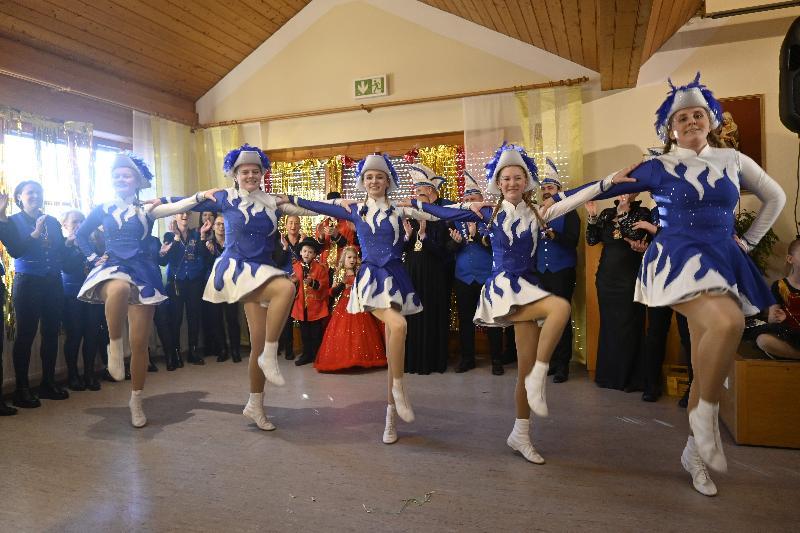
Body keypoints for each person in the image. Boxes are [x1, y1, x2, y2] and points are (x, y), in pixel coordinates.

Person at [553, 73, 786, 496]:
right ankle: (705, 421)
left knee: (706, 357)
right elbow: (587, 191)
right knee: (728, 324)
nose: (691, 121)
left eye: (698, 114)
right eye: (682, 117)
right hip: (677, 260)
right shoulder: (658, 165)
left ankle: (694, 452)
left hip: (723, 257)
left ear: (711, 119)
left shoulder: (734, 161)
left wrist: (748, 242)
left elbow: (777, 197)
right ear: (669, 127)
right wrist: (584, 193)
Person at [409, 143, 633, 464]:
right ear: (498, 183)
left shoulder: (540, 214)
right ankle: (542, 375)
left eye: (518, 178)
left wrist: (609, 180)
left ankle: (520, 433)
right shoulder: (486, 212)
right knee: (560, 309)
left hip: (528, 288)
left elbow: (578, 196)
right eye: (506, 178)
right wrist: (410, 203)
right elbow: (439, 211)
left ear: (527, 182)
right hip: (502, 289)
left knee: (524, 370)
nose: (512, 183)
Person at [280, 153, 439, 445]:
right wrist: (286, 198)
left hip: (395, 279)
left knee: (394, 347)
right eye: (369, 177)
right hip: (368, 281)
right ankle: (401, 390)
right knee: (400, 327)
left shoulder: (400, 209)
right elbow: (316, 207)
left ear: (388, 181)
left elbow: (443, 213)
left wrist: (475, 208)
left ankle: (390, 417)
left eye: (380, 176)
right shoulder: (354, 209)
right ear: (363, 182)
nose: (375, 181)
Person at [160, 144, 317, 432]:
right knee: (285, 289)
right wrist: (157, 201)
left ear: (263, 173)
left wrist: (342, 206)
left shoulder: (272, 201)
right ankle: (271, 354)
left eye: (256, 171)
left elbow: (309, 207)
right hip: (235, 269)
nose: (250, 175)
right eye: (245, 171)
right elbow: (185, 203)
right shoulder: (226, 197)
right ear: (235, 174)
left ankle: (255, 404)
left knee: (257, 343)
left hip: (261, 271)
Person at [75, 151, 216, 427]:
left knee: (140, 345)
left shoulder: (147, 209)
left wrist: (200, 196)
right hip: (113, 267)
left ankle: (136, 400)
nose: (120, 179)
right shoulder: (102, 208)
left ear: (137, 181)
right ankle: (115, 346)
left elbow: (181, 206)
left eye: (126, 175)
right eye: (116, 175)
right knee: (117, 290)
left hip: (143, 272)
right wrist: (93, 257)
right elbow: (81, 234)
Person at [0, 181, 69, 408]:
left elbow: (60, 250)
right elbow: (16, 250)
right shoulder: (11, 221)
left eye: (39, 192)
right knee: (26, 335)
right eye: (30, 192)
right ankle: (21, 389)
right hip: (27, 282)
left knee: (51, 333)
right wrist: (35, 234)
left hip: (52, 282)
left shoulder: (52, 221)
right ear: (19, 197)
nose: (35, 196)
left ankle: (48, 383)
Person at [586, 192, 651, 391]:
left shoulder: (643, 213)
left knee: (629, 324)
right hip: (606, 277)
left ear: (637, 192)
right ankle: (607, 376)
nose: (625, 193)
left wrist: (623, 214)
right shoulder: (606, 213)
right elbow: (592, 239)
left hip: (629, 276)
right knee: (609, 324)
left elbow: (634, 237)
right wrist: (592, 217)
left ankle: (629, 379)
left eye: (630, 189)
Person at [446, 171, 506, 375]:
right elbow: (448, 250)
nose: (470, 202)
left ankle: (497, 359)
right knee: (465, 320)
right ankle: (467, 358)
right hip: (463, 277)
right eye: (467, 199)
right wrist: (455, 243)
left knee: (492, 319)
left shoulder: (491, 220)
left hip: (487, 276)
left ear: (481, 201)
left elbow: (497, 247)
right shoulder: (454, 221)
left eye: (473, 199)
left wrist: (478, 235)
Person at [403, 165, 452, 375]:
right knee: (413, 316)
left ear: (431, 193)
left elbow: (443, 252)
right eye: (415, 194)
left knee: (431, 316)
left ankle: (432, 361)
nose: (416, 198)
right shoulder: (412, 217)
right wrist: (407, 236)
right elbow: (405, 249)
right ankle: (413, 361)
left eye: (420, 194)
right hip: (413, 274)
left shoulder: (441, 218)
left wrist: (424, 236)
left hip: (433, 276)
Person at [535, 159, 581, 383]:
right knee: (545, 319)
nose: (546, 192)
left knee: (561, 317)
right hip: (541, 272)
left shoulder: (569, 212)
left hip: (561, 271)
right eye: (543, 189)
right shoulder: (535, 213)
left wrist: (555, 235)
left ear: (559, 191)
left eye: (550, 188)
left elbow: (572, 241)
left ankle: (563, 365)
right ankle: (550, 362)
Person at [315, 245, 386, 372]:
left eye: (354, 257)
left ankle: (360, 359)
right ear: (344, 258)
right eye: (349, 257)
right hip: (344, 306)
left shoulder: (359, 272)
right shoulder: (339, 273)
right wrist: (343, 284)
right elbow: (332, 292)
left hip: (358, 305)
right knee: (343, 332)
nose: (352, 260)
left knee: (361, 332)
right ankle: (345, 359)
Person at [61, 210, 104, 392]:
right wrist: (72, 245)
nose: (79, 224)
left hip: (93, 295)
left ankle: (89, 373)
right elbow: (66, 267)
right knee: (75, 335)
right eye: (75, 221)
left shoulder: (94, 244)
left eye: (82, 221)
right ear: (65, 225)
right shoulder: (63, 246)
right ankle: (73, 374)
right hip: (72, 295)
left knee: (92, 334)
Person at [160, 212, 210, 365]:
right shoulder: (169, 236)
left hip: (194, 281)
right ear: (174, 217)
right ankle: (175, 352)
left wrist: (202, 236)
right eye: (180, 213)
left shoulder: (196, 233)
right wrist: (176, 237)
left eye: (186, 213)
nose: (184, 215)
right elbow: (166, 260)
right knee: (175, 318)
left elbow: (203, 255)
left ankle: (193, 351)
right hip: (176, 282)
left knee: (193, 316)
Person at [203, 213, 242, 363]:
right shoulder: (207, 243)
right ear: (213, 227)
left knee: (232, 319)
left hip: (231, 286)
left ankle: (235, 350)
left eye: (223, 224)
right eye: (218, 224)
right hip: (214, 286)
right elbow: (204, 265)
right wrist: (209, 252)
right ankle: (223, 349)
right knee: (216, 319)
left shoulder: (233, 243)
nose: (221, 227)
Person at [754, 238, 800, 360]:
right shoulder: (779, 286)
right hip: (790, 335)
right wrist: (777, 317)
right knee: (763, 340)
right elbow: (771, 319)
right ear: (790, 259)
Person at [290, 237, 330, 366]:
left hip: (316, 307)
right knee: (304, 333)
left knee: (316, 333)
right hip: (301, 306)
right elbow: (291, 286)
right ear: (301, 252)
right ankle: (306, 354)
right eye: (305, 251)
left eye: (310, 252)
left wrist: (313, 283)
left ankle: (317, 354)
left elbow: (324, 286)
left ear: (314, 254)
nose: (307, 254)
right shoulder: (295, 267)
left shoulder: (320, 268)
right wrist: (293, 283)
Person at [277, 215, 304, 360]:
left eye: (296, 223)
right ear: (286, 225)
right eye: (291, 223)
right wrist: (286, 248)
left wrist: (301, 244)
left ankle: (305, 348)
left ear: (300, 225)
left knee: (302, 316)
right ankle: (288, 349)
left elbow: (308, 258)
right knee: (286, 317)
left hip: (302, 284)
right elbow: (278, 262)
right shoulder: (281, 241)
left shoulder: (304, 240)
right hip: (285, 284)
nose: (293, 226)